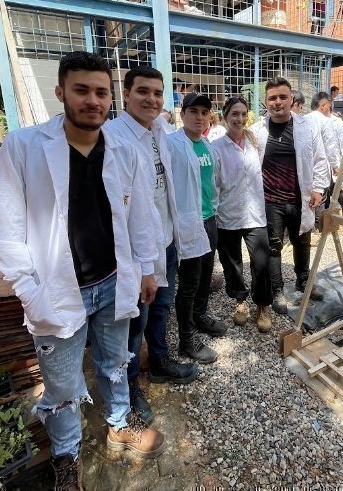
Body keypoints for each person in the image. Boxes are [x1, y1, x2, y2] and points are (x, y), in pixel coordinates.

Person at [0, 52, 166, 489]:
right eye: (81, 90)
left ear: (111, 99)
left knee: (114, 360)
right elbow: (4, 227)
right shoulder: (25, 146)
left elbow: (141, 215)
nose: (92, 100)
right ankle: (66, 455)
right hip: (57, 290)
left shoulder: (124, 149)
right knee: (63, 384)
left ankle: (119, 423)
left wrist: (146, 269)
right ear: (60, 92)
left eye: (101, 92)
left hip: (112, 281)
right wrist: (30, 291)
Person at [104, 66, 198, 425]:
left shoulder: (160, 131)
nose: (152, 99)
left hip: (166, 242)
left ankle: (158, 363)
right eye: (143, 91)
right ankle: (127, 390)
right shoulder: (114, 138)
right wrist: (140, 263)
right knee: (133, 324)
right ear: (125, 93)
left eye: (158, 93)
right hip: (135, 254)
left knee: (161, 309)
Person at [254, 77, 329, 315]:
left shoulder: (307, 127)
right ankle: (277, 290)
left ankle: (303, 280)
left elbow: (319, 159)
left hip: (300, 198)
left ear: (291, 100)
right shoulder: (257, 131)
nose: (277, 102)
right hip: (270, 201)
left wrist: (318, 188)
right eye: (272, 98)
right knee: (274, 247)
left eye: (282, 97)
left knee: (302, 241)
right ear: (266, 102)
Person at [167, 92, 228, 365]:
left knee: (205, 276)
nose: (199, 117)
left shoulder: (207, 145)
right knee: (189, 284)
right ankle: (186, 340)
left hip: (208, 219)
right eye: (194, 111)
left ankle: (200, 316)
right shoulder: (172, 145)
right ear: (183, 115)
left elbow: (212, 184)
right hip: (188, 222)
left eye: (204, 112)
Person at [211, 97, 273, 333]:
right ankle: (240, 301)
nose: (239, 118)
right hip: (227, 214)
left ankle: (262, 305)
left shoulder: (253, 142)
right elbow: (214, 185)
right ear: (226, 116)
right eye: (234, 114)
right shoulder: (216, 148)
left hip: (255, 214)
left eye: (243, 113)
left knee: (261, 262)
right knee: (232, 263)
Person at [307, 91, 343, 216]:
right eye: (329, 106)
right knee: (323, 193)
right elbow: (330, 146)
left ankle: (315, 220)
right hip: (323, 164)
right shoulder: (325, 121)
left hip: (308, 165)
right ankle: (320, 222)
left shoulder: (304, 119)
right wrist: (336, 166)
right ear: (323, 105)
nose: (329, 110)